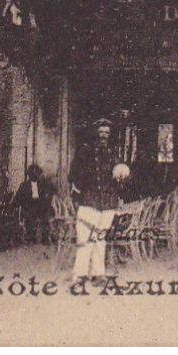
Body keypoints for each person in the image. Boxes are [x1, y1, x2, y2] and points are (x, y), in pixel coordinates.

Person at [68, 118, 124, 279]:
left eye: (107, 133)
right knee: (85, 239)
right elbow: (72, 175)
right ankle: (79, 275)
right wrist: (83, 184)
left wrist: (121, 177)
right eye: (100, 132)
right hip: (89, 201)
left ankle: (98, 273)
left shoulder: (114, 155)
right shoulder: (84, 152)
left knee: (100, 239)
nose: (103, 136)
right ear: (95, 134)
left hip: (107, 203)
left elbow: (121, 179)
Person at [10, 164, 51, 243]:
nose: (35, 175)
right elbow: (18, 197)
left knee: (45, 215)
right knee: (30, 216)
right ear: (29, 175)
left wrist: (46, 203)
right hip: (29, 205)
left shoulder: (42, 185)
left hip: (40, 205)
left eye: (37, 173)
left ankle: (45, 237)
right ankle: (31, 237)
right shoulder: (24, 185)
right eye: (33, 174)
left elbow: (46, 196)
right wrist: (15, 205)